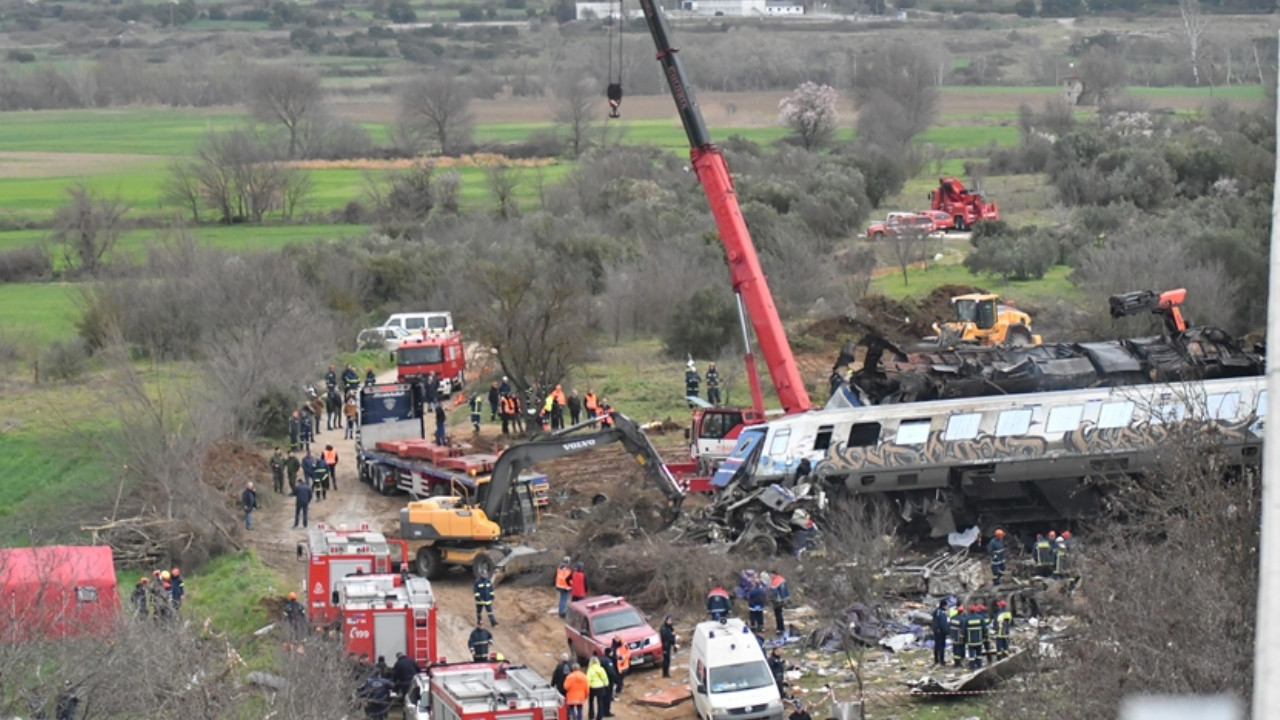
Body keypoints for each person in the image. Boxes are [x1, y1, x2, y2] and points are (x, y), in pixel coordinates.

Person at [964, 604, 987, 670]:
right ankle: (979, 665)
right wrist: (984, 636)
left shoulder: (967, 619)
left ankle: (972, 666)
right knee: (979, 653)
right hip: (979, 640)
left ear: (969, 611)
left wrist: (964, 638)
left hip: (970, 641)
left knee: (971, 654)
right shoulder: (980, 618)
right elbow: (984, 629)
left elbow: (964, 630)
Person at [930, 598, 950, 666]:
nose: (948, 607)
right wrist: (947, 632)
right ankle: (942, 660)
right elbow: (943, 624)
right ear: (944, 606)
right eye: (947, 606)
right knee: (941, 646)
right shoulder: (942, 613)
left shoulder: (936, 611)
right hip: (941, 632)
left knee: (936, 646)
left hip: (936, 631)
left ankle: (936, 660)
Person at [949, 602, 965, 668]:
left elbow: (949, 626)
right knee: (959, 649)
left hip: (953, 636)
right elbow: (963, 628)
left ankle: (956, 661)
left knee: (955, 649)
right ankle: (958, 663)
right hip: (959, 637)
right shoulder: (963, 619)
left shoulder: (952, 618)